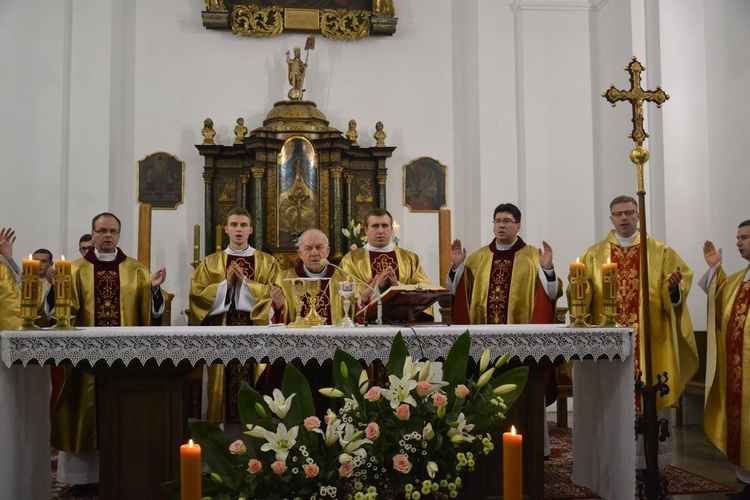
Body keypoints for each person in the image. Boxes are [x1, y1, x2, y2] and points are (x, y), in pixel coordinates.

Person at [576, 195, 698, 468]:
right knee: (612, 397)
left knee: (651, 393)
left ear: (638, 216)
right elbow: (583, 299)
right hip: (610, 342)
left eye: (629, 212)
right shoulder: (594, 254)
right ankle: (613, 460)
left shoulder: (660, 251)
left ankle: (650, 463)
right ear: (611, 219)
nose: (624, 218)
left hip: (650, 339)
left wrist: (674, 289)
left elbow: (676, 290)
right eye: (618, 214)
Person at [51, 212, 167, 492]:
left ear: (119, 235)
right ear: (92, 234)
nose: (107, 236)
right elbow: (63, 315)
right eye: (102, 231)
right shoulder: (76, 269)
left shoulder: (136, 270)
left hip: (124, 362)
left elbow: (151, 314)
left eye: (113, 231)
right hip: (85, 362)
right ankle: (84, 479)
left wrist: (153, 292)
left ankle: (126, 469)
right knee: (84, 410)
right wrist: (57, 291)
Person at [189, 206, 280, 423]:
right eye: (234, 225)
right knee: (220, 390)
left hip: (258, 338)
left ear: (251, 230)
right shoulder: (210, 262)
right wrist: (225, 285)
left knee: (259, 388)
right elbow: (197, 297)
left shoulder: (268, 262)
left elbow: (277, 297)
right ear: (226, 230)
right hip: (222, 335)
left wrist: (246, 284)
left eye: (243, 225)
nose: (238, 230)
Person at [700, 219, 750, 498]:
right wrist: (714, 269)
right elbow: (718, 297)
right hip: (739, 372)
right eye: (738, 237)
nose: (737, 243)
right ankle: (747, 483)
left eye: (744, 238)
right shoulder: (739, 279)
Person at [447, 202, 559, 324]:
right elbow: (459, 295)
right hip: (483, 331)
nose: (501, 225)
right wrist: (457, 267)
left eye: (507, 221)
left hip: (520, 330)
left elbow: (551, 295)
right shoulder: (477, 259)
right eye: (497, 221)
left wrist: (547, 269)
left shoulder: (534, 257)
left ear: (518, 227)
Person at [339, 208, 433, 319]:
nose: (380, 231)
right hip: (367, 325)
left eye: (385, 226)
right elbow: (344, 296)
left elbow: (424, 289)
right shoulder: (352, 260)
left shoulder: (409, 258)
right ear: (366, 230)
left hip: (404, 324)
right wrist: (372, 291)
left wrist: (397, 287)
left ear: (391, 229)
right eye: (375, 226)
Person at [31, 248, 55, 327]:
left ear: (51, 264)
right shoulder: (24, 284)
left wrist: (55, 287)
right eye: (36, 261)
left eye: (43, 261)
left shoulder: (57, 285)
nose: (39, 264)